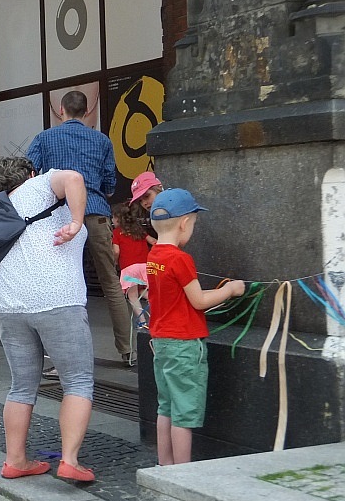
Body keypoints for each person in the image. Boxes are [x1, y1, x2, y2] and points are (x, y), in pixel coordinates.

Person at [0, 156, 96, 483]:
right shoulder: (39, 186)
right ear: (30, 173)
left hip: (8, 304)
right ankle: (71, 460)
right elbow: (74, 175)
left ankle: (15, 460)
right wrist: (76, 222)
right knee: (77, 381)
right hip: (56, 299)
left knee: (21, 385)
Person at [27, 90, 134, 366]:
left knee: (56, 283)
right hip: (96, 213)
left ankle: (55, 355)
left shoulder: (44, 138)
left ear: (61, 110)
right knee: (111, 282)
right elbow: (110, 183)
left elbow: (30, 176)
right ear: (87, 112)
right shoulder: (101, 140)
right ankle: (127, 350)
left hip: (61, 215)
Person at [146, 189, 245, 465]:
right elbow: (199, 301)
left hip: (162, 343)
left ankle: (164, 465)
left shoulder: (154, 256)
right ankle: (183, 472)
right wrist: (230, 290)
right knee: (184, 412)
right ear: (184, 223)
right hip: (184, 345)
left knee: (165, 407)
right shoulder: (180, 259)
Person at [112, 202, 155, 330]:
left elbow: (116, 251)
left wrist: (115, 262)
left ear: (118, 218)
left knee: (133, 296)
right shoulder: (139, 230)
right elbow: (153, 241)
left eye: (113, 217)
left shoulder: (117, 232)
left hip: (129, 269)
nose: (112, 220)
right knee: (145, 292)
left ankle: (142, 322)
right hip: (145, 266)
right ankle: (157, 316)